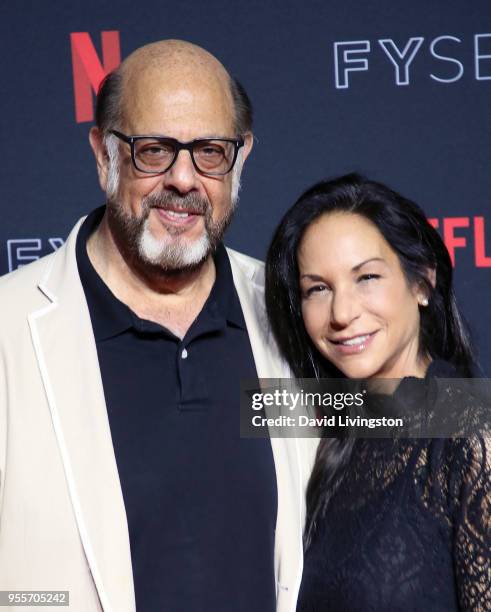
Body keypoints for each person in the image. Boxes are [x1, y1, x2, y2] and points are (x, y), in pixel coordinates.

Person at [0, 40, 316, 612]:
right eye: (153, 150)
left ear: (240, 158)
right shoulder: (9, 328)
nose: (183, 179)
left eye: (210, 152)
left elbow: (409, 416)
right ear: (104, 154)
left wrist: (470, 421)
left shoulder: (291, 308)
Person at [265, 173, 491, 611]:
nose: (342, 313)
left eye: (366, 277)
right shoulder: (325, 432)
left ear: (422, 282)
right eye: (318, 288)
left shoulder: (471, 432)